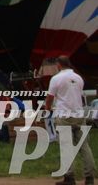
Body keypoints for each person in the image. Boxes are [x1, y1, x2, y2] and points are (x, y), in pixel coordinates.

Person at [46, 56, 94, 185]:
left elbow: (50, 97)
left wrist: (48, 108)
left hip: (64, 116)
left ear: (59, 65)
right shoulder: (78, 78)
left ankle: (69, 178)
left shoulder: (56, 78)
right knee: (84, 146)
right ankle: (89, 177)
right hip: (79, 115)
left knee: (67, 147)